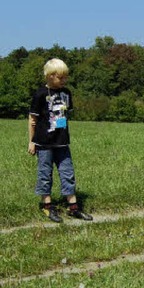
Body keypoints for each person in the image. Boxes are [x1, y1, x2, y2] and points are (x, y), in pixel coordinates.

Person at [28, 58, 93, 223]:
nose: (65, 80)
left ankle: (73, 207)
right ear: (50, 76)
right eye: (61, 77)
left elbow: (64, 115)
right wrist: (32, 141)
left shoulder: (66, 93)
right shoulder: (40, 94)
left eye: (66, 77)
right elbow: (32, 120)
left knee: (67, 173)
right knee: (45, 174)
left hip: (62, 142)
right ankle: (47, 206)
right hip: (44, 143)